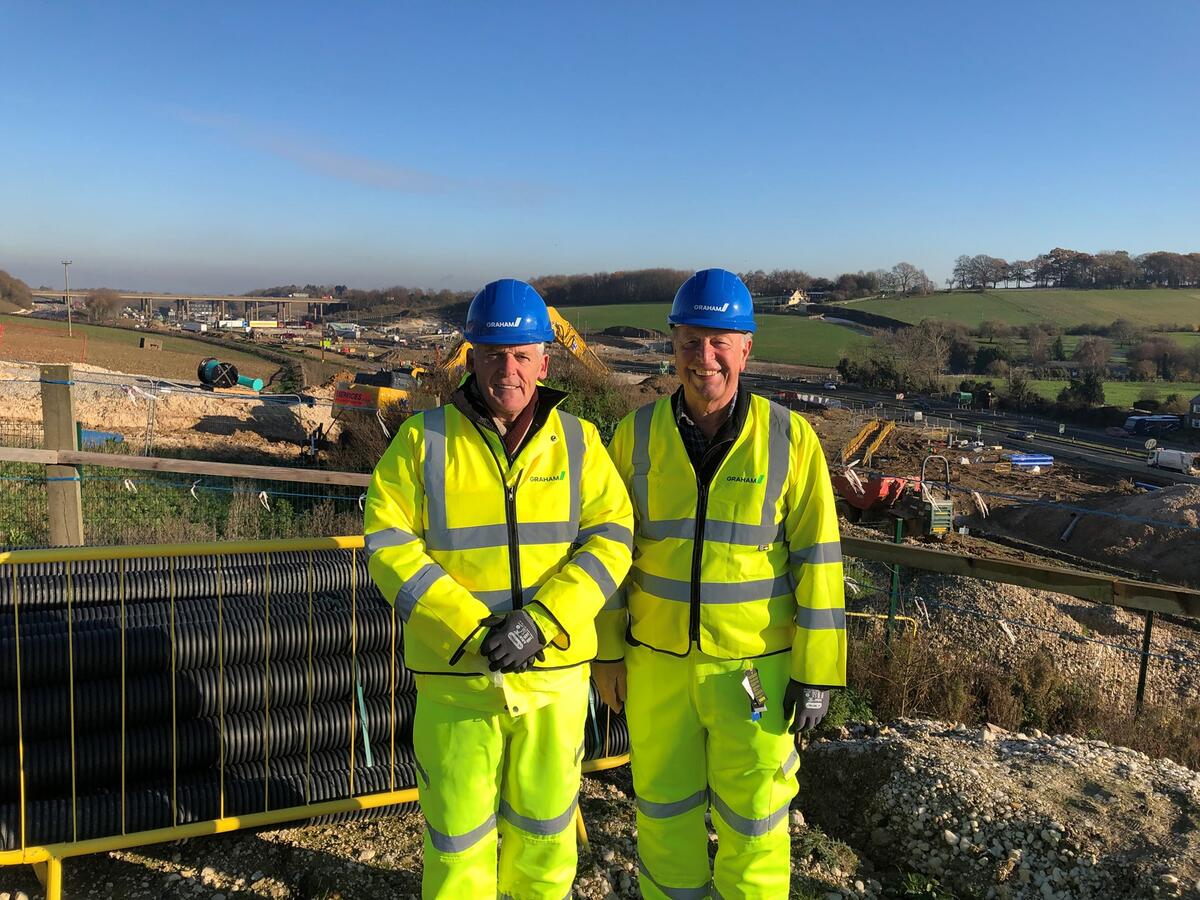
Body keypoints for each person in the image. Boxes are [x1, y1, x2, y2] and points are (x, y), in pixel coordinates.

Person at [364, 278, 634, 899]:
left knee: (545, 842)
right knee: (458, 846)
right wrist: (470, 626)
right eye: (492, 353)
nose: (506, 370)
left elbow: (613, 538)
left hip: (554, 684)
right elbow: (386, 542)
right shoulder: (422, 442)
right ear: (471, 356)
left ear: (545, 359)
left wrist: (542, 619)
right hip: (458, 686)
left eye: (520, 355)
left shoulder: (580, 443)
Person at [594, 268, 846, 899]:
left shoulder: (790, 439)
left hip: (754, 674)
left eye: (718, 341)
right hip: (655, 669)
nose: (703, 357)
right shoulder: (635, 436)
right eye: (689, 341)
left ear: (746, 348)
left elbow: (819, 560)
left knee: (756, 822)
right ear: (672, 345)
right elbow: (607, 555)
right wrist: (606, 651)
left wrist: (819, 672)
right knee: (661, 815)